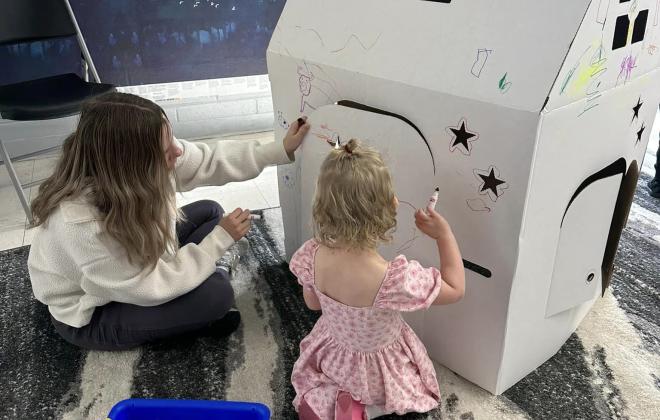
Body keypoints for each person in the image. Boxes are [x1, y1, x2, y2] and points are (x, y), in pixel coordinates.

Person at [27, 92, 309, 350]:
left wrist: (280, 149)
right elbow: (149, 288)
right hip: (94, 313)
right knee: (217, 296)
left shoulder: (133, 168)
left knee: (209, 211)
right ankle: (213, 278)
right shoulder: (81, 226)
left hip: (128, 271)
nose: (178, 152)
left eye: (172, 140)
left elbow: (209, 160)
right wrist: (218, 243)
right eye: (166, 150)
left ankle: (204, 274)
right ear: (132, 166)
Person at [288, 139, 466, 419]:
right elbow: (455, 289)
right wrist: (445, 235)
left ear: (322, 205)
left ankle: (336, 398)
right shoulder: (393, 279)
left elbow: (312, 304)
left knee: (324, 381)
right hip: (380, 370)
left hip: (334, 356)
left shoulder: (310, 254)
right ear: (390, 206)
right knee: (407, 394)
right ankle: (368, 408)